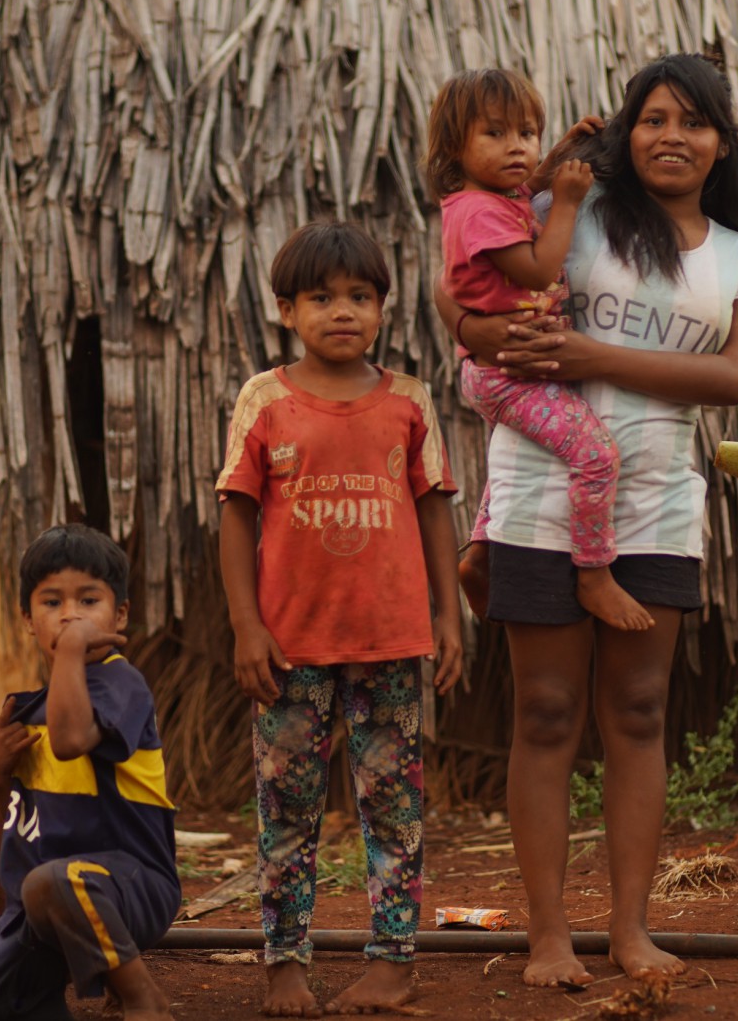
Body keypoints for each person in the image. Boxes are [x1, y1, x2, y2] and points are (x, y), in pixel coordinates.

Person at [439, 53, 738, 985]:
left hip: (659, 499)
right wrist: (478, 336)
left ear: (721, 144)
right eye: (654, 118)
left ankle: (629, 929)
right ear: (628, 131)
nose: (673, 136)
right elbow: (460, 287)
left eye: (694, 121)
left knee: (637, 710)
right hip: (543, 487)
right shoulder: (574, 212)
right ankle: (550, 935)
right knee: (545, 711)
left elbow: (732, 378)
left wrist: (590, 351)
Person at [216, 221, 464, 1017]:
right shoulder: (265, 399)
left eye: (360, 296)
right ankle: (284, 961)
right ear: (287, 309)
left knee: (394, 807)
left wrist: (449, 618)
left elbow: (433, 513)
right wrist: (247, 627)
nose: (342, 312)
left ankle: (393, 961)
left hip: (392, 641)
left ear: (384, 309)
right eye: (321, 298)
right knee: (285, 810)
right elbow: (235, 516)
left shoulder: (409, 401)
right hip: (289, 647)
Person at [426, 67, 651, 633]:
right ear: (457, 145)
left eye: (526, 133)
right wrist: (569, 201)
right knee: (596, 456)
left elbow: (528, 194)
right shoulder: (477, 211)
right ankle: (593, 572)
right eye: (496, 134)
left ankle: (478, 556)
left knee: (524, 458)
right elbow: (538, 269)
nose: (516, 148)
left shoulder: (496, 197)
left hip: (511, 369)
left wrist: (556, 157)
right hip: (512, 377)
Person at [0, 523, 179, 1021]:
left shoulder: (121, 685)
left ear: (120, 614)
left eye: (88, 601)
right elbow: (29, 818)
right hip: (43, 902)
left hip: (132, 885)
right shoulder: (31, 711)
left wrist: (70, 650)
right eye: (52, 604)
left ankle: (142, 999)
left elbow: (73, 741)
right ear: (27, 618)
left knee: (56, 882)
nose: (70, 616)